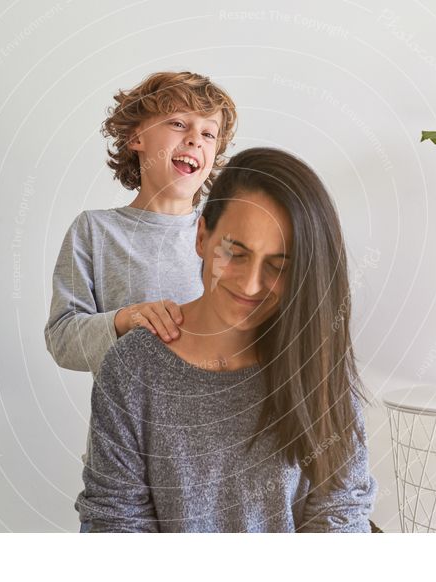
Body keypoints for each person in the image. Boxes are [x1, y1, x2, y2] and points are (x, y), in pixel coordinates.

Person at [75, 147, 378, 532]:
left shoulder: (315, 363)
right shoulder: (132, 369)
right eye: (235, 253)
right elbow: (114, 523)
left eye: (278, 266)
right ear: (202, 237)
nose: (251, 284)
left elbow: (342, 513)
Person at [44, 71, 237, 375]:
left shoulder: (226, 237)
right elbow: (62, 341)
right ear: (136, 137)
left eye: (208, 134)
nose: (194, 140)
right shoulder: (94, 231)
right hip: (127, 420)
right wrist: (126, 319)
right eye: (178, 123)